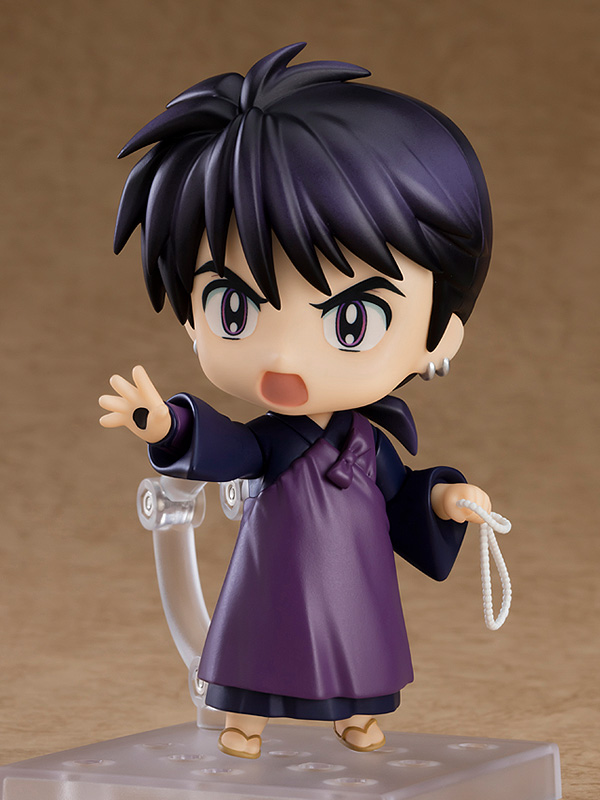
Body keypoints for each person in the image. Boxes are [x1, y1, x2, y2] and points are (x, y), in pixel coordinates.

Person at [99, 43, 494, 759]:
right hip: (273, 563)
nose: (284, 359)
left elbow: (402, 495)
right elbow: (232, 445)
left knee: (355, 640)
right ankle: (244, 719)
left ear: (438, 338)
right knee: (260, 634)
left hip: (354, 574)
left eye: (352, 319)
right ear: (191, 317)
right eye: (234, 307)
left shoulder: (366, 444)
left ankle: (354, 714)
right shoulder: (277, 440)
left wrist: (445, 498)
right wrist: (168, 426)